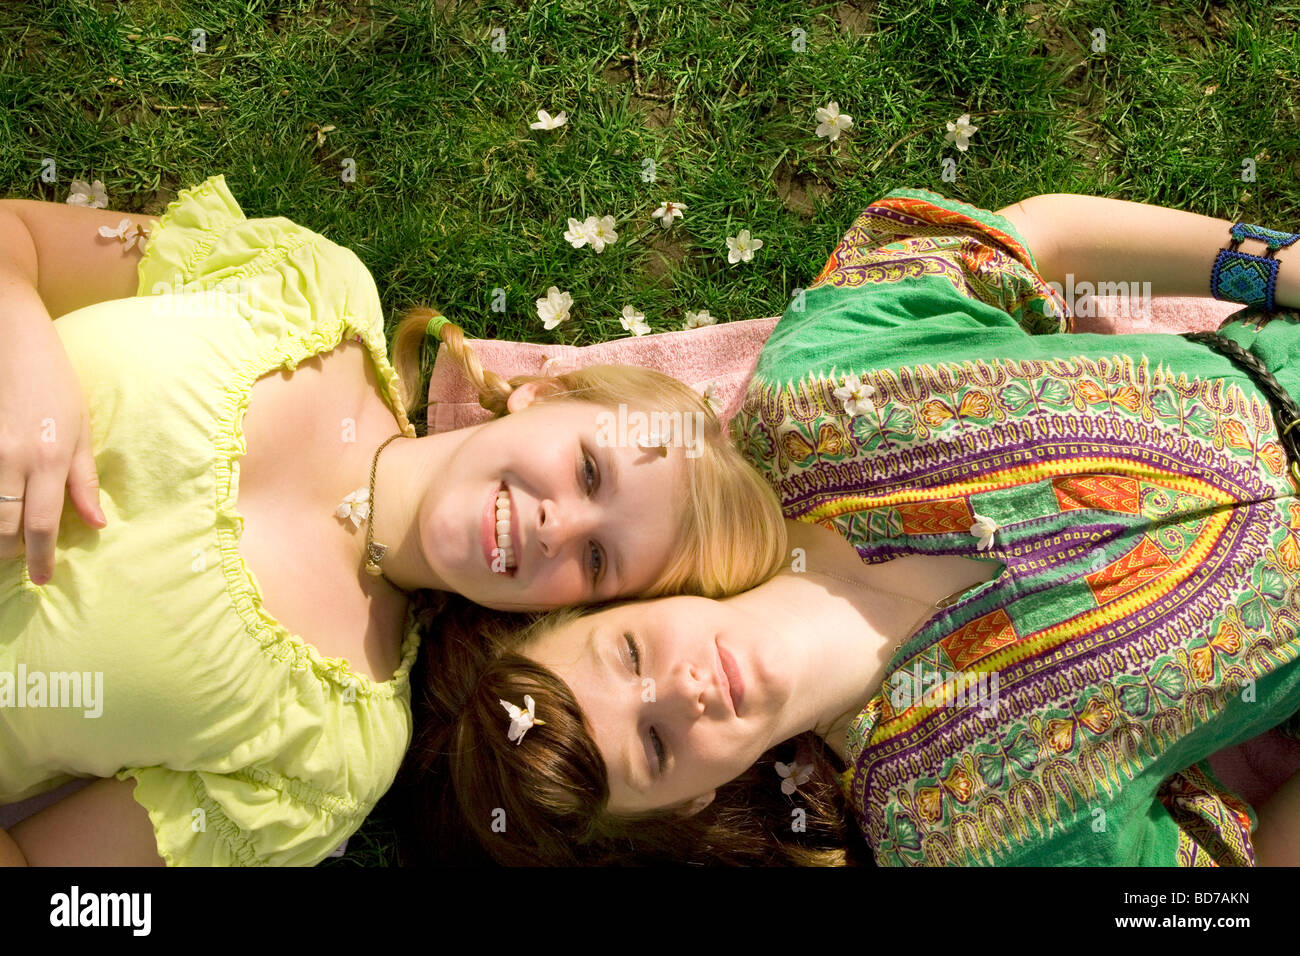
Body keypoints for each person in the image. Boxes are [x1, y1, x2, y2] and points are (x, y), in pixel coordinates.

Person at [399, 187, 1300, 866]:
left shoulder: (811, 395)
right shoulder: (953, 828)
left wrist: (1280, 266)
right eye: (654, 745)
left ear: (612, 604)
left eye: (631, 655)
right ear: (692, 801)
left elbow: (1031, 239)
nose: (683, 688)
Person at [0, 174, 787, 865]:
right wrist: (24, 353)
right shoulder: (311, 289)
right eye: (589, 470)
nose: (557, 524)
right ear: (545, 393)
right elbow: (17, 240)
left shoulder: (328, 759)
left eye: (597, 561)